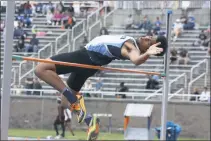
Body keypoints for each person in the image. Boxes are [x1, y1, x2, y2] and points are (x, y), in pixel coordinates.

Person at [34, 34, 167, 140]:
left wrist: (148, 53)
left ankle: (74, 100)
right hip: (90, 65)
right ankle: (90, 121)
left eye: (149, 42)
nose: (146, 37)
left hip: (84, 57)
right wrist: (147, 52)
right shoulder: (131, 44)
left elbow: (136, 60)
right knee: (64, 102)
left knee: (40, 69)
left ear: (146, 49)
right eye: (150, 36)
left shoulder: (130, 47)